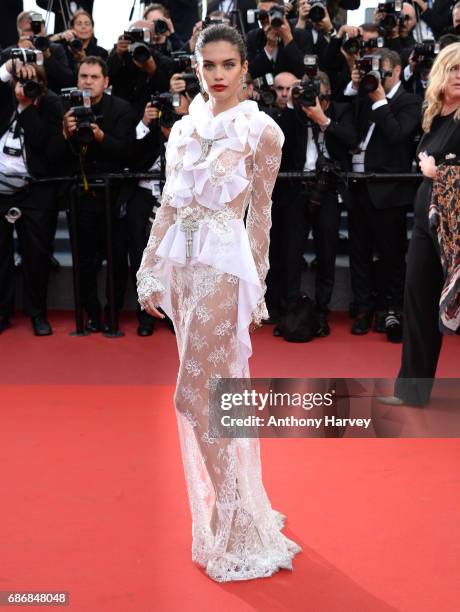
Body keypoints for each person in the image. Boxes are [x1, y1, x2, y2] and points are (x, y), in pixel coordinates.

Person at [136, 23, 301, 582]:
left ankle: (227, 511)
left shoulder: (263, 130)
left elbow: (265, 211)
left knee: (193, 394)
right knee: (208, 389)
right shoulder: (183, 129)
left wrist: (258, 281)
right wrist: (148, 267)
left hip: (224, 266)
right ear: (198, 67)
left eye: (228, 65)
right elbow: (166, 204)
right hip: (184, 268)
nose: (218, 76)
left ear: (245, 68)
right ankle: (237, 510)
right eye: (209, 66)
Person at [380, 43, 460, 407]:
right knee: (417, 299)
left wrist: (437, 171)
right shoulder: (436, 114)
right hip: (428, 223)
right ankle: (411, 392)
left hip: (456, 229)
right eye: (454, 68)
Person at [61, 56, 134, 333]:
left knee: (116, 258)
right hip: (80, 195)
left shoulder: (121, 109)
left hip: (113, 196)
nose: (88, 82)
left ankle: (111, 314)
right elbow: (57, 156)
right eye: (83, 77)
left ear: (106, 81)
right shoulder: (67, 108)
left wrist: (100, 136)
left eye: (93, 77)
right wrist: (66, 134)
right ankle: (91, 313)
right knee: (84, 259)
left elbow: (127, 151)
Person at [0, 57, 63, 336]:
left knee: (36, 255)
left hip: (35, 190)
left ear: (44, 86)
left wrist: (27, 108)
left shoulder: (51, 107)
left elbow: (44, 145)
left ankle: (37, 313)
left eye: (34, 83)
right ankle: (2, 313)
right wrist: (9, 70)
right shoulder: (4, 102)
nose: (27, 87)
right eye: (22, 82)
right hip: (1, 190)